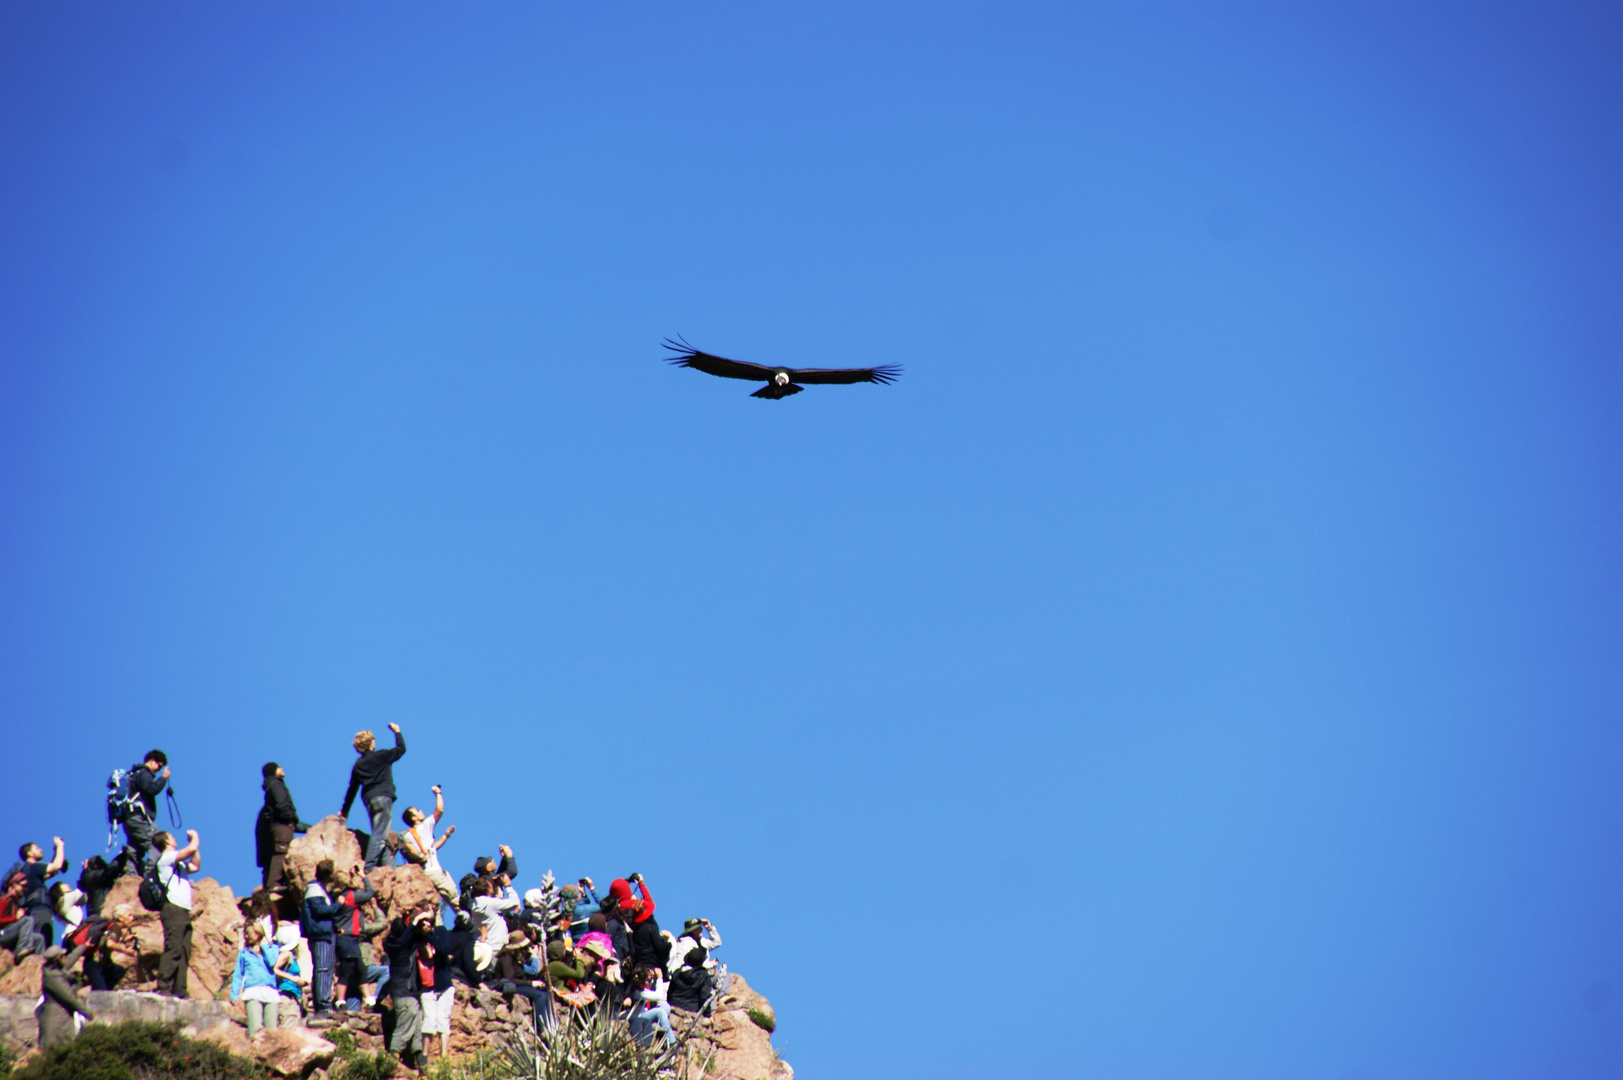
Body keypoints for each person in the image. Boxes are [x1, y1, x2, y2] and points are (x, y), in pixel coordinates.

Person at [340, 724, 406, 872]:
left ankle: (390, 871)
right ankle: (369, 867)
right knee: (380, 836)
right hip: (384, 798)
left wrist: (345, 811)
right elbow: (401, 749)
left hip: (370, 802)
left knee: (381, 835)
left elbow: (352, 790)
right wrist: (397, 732)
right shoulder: (381, 756)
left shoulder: (358, 765)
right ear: (370, 743)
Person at [383, 906, 435, 1073]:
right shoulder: (400, 946)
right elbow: (410, 935)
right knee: (404, 1026)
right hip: (404, 993)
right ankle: (391, 1061)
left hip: (409, 993)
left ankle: (421, 1065)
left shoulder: (397, 943)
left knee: (418, 1028)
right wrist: (419, 919)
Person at [152, 829, 199, 997]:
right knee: (174, 947)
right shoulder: (165, 859)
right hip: (173, 908)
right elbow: (190, 850)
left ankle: (180, 989)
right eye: (171, 836)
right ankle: (164, 985)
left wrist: (196, 847)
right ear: (166, 841)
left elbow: (195, 865)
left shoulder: (177, 863)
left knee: (184, 950)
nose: (174, 837)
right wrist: (194, 838)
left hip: (183, 910)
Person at [398, 786, 458, 904]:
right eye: (417, 810)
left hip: (422, 875)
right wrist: (438, 793)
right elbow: (439, 810)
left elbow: (432, 847)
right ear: (414, 817)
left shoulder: (410, 835)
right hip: (434, 872)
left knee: (432, 905)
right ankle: (469, 921)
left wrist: (446, 836)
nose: (421, 811)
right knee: (455, 900)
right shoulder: (424, 825)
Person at [256, 762, 310, 892]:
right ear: (274, 771)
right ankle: (274, 883)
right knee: (281, 851)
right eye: (279, 767)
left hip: (282, 823)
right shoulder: (276, 784)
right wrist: (289, 818)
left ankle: (270, 885)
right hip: (282, 824)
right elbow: (281, 804)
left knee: (278, 852)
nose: (282, 768)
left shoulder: (274, 784)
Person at [302, 859, 343, 1018]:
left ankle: (323, 1002)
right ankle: (323, 1004)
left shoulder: (319, 889)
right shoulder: (314, 890)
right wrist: (338, 905)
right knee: (323, 969)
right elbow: (320, 910)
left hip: (325, 933)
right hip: (320, 936)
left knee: (325, 969)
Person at [333, 870, 378, 1012]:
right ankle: (340, 1002)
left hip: (348, 938)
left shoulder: (337, 898)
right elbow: (370, 893)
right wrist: (364, 877)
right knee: (347, 971)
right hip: (348, 938)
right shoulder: (351, 896)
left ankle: (369, 1000)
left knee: (361, 970)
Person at [230, 921, 284, 1036]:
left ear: (259, 933)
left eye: (250, 933)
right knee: (255, 1030)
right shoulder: (244, 952)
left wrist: (264, 945)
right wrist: (234, 994)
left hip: (270, 992)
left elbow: (272, 962)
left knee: (271, 1032)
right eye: (246, 933)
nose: (247, 936)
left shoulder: (273, 948)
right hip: (252, 991)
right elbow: (238, 974)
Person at [122, 750, 170, 874]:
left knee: (135, 851)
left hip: (129, 820)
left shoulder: (133, 775)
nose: (158, 769)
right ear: (152, 761)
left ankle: (130, 879)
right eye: (159, 765)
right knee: (157, 841)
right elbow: (151, 789)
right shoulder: (144, 773)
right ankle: (152, 873)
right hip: (139, 818)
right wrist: (163, 778)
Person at [37, 945, 93, 1048]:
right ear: (59, 958)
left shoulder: (55, 969)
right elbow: (69, 997)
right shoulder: (53, 978)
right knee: (54, 1053)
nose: (65, 957)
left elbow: (71, 959)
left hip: (62, 1019)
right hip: (55, 1023)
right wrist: (87, 1013)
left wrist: (84, 946)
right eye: (63, 956)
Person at [18, 839, 67, 948]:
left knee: (41, 944)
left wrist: (56, 852)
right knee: (44, 944)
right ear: (29, 853)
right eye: (36, 848)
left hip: (35, 912)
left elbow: (51, 872)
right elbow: (57, 865)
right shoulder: (33, 867)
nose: (40, 849)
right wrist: (60, 846)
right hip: (40, 911)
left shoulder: (27, 871)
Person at [626, 964, 673, 1047]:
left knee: (666, 1007)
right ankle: (672, 1041)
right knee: (660, 1011)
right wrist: (659, 978)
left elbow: (650, 986)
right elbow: (658, 996)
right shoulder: (639, 991)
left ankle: (662, 1029)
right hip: (639, 1016)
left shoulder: (641, 986)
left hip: (645, 1012)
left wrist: (653, 977)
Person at [0, 871, 44, 959]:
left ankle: (38, 962)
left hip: (10, 934)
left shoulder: (15, 905)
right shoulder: (4, 900)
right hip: (2, 935)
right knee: (28, 920)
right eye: (23, 886)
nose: (24, 890)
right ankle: (21, 950)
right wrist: (15, 918)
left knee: (39, 938)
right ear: (14, 884)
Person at [273, 922, 310, 1026]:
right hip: (286, 996)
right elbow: (274, 969)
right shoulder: (286, 954)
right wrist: (294, 979)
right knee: (288, 1029)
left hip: (292, 995)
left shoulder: (290, 955)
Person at [469, 877, 521, 950]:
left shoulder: (474, 905)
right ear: (488, 888)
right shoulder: (492, 903)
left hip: (484, 947)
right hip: (497, 946)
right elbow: (515, 902)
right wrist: (508, 886)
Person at [76, 852, 127, 919]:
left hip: (100, 915)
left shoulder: (93, 879)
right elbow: (111, 869)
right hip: (101, 916)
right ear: (95, 866)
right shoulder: (91, 877)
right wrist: (124, 855)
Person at [667, 946, 716, 1015]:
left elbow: (670, 993)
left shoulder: (677, 972)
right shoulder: (703, 975)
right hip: (691, 1010)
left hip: (673, 1007)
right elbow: (704, 997)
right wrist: (707, 1015)